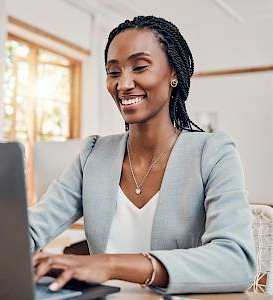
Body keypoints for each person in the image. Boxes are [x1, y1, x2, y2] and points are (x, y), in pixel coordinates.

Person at [28, 16, 255, 294]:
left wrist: (111, 264)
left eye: (140, 67)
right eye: (113, 72)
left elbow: (236, 261)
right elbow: (33, 227)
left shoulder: (213, 153)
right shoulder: (94, 154)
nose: (123, 84)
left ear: (174, 74)